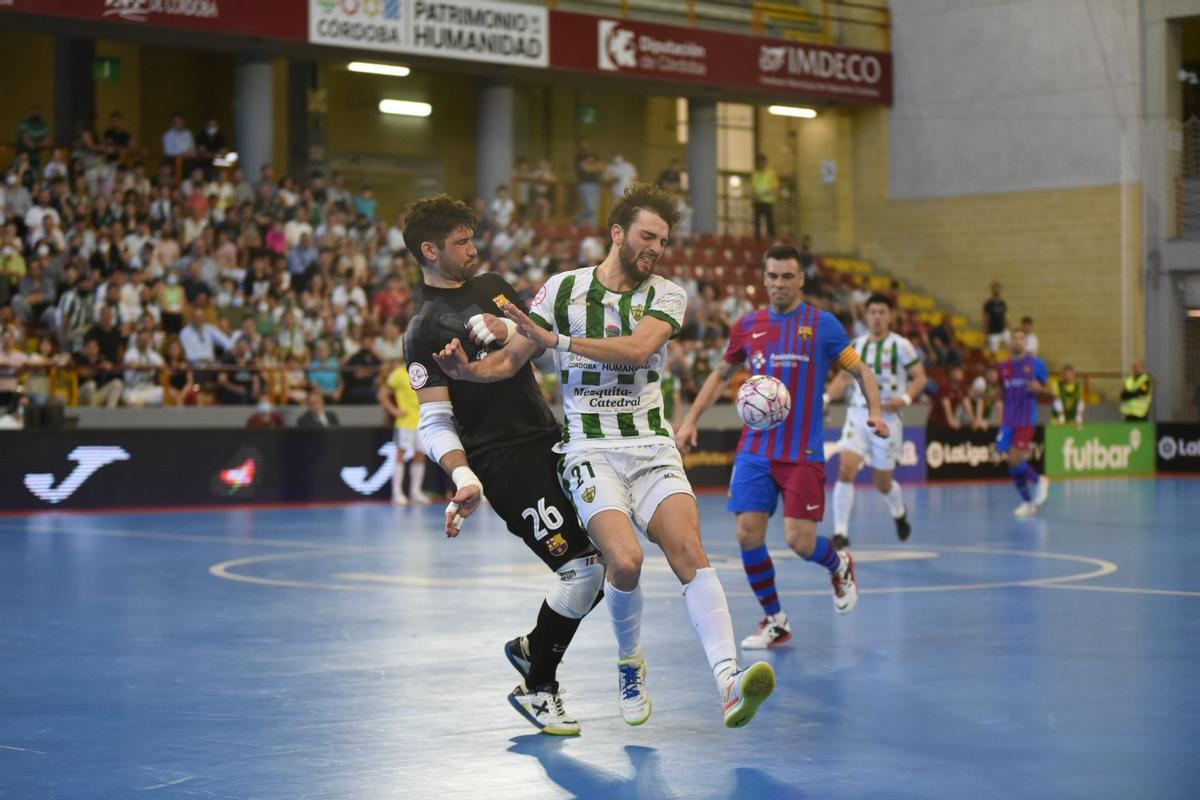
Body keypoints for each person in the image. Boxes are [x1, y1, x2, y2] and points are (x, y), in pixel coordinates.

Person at [436, 184, 777, 729]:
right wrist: (465, 373)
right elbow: (508, 362)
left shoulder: (667, 294)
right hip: (590, 451)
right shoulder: (561, 290)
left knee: (689, 549)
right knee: (624, 561)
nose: (656, 249)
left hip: (651, 446)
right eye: (647, 236)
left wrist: (557, 341)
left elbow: (639, 349)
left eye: (663, 240)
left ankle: (729, 680)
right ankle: (629, 662)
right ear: (618, 233)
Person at [401, 194, 605, 735]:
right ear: (429, 250)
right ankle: (538, 688)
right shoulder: (424, 329)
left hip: (551, 440)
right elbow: (434, 419)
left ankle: (532, 648)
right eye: (461, 242)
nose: (474, 249)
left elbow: (533, 345)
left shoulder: (492, 285)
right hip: (503, 461)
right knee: (581, 571)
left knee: (602, 564)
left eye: (472, 238)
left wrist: (506, 326)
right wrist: (464, 476)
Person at [675, 246, 889, 652]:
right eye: (772, 276)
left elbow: (860, 369)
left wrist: (875, 411)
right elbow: (721, 376)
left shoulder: (823, 325)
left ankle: (838, 563)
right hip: (755, 450)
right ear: (764, 277)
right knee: (747, 533)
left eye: (787, 276)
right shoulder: (748, 325)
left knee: (800, 542)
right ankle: (775, 620)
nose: (778, 284)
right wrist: (689, 421)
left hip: (802, 453)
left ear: (800, 279)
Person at [825, 293, 927, 550]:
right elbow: (844, 379)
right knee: (845, 469)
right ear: (866, 316)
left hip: (888, 418)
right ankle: (840, 531)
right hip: (858, 414)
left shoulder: (901, 346)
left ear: (890, 316)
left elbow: (920, 378)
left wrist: (904, 399)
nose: (877, 317)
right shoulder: (857, 345)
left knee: (882, 483)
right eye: (873, 312)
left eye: (882, 312)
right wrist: (825, 397)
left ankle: (898, 510)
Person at [997, 329, 1050, 518]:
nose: (1017, 342)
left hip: (1026, 418)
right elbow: (1000, 393)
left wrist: (1040, 388)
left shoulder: (1036, 364)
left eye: (1021, 339)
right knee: (1011, 463)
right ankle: (1028, 503)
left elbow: (1049, 389)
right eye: (1014, 339)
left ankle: (1039, 480)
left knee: (1015, 459)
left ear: (1025, 343)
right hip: (1008, 420)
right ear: (1009, 343)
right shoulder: (1003, 366)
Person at [379, 360, 426, 506]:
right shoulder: (398, 374)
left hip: (422, 421)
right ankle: (397, 493)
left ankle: (415, 492)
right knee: (401, 455)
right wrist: (394, 411)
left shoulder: (423, 372)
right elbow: (382, 394)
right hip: (404, 422)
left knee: (420, 454)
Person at [573, 137, 603, 227]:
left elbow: (601, 167)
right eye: (583, 143)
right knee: (590, 208)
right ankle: (577, 219)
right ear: (580, 144)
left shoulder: (595, 155)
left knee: (595, 210)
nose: (585, 145)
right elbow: (586, 169)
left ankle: (592, 230)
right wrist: (594, 167)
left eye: (586, 142)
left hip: (596, 184)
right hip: (584, 184)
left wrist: (591, 166)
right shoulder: (578, 156)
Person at [750, 154, 779, 240]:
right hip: (758, 201)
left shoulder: (771, 173)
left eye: (762, 162)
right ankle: (757, 239)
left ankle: (772, 238)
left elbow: (775, 186)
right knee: (757, 222)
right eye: (758, 163)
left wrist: (764, 192)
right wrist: (754, 197)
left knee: (770, 222)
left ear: (765, 163)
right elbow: (753, 187)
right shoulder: (754, 174)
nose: (760, 164)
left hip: (768, 201)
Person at [983, 281, 1009, 354]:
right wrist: (986, 335)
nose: (997, 290)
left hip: (1003, 330)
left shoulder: (1002, 303)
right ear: (992, 290)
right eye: (995, 288)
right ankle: (993, 364)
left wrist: (1008, 328)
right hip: (993, 332)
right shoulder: (988, 304)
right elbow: (986, 320)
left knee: (1012, 345)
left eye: (998, 288)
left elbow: (1005, 317)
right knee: (994, 352)